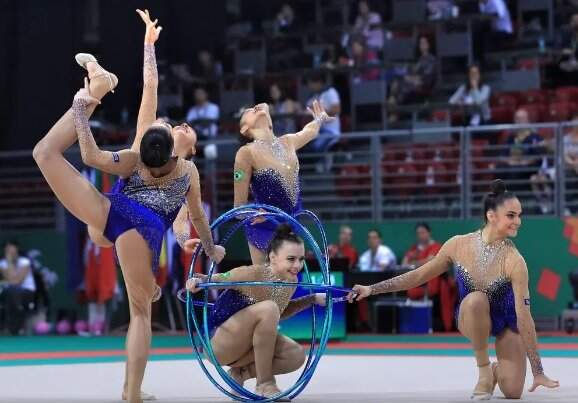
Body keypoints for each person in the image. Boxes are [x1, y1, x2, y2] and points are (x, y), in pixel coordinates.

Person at [32, 10, 224, 403]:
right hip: (117, 217)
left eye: (188, 128)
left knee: (141, 306)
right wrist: (147, 46)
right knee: (44, 153)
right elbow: (149, 88)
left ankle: (131, 391)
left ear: (190, 147)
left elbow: (190, 220)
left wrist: (201, 245)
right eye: (177, 125)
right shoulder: (143, 147)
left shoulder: (187, 172)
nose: (181, 126)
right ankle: (99, 87)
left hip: (128, 227)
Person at [350, 179, 559, 400]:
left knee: (513, 391)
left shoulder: (515, 261)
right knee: (477, 299)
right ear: (491, 215)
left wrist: (538, 371)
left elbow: (524, 316)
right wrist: (371, 289)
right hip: (470, 314)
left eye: (519, 215)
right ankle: (485, 371)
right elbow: (418, 276)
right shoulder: (458, 245)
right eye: (511, 215)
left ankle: (498, 371)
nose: (518, 221)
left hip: (505, 319)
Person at [186, 224, 326, 399]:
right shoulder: (252, 274)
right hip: (219, 343)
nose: (297, 265)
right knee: (269, 308)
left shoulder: (292, 281)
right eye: (291, 259)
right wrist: (194, 282)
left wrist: (311, 300)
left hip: (247, 346)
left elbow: (278, 313)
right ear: (273, 257)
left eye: (301, 259)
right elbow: (210, 279)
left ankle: (240, 374)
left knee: (295, 354)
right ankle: (265, 383)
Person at [233, 100, 333, 265]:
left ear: (271, 121)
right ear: (245, 129)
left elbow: (310, 131)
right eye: (249, 111)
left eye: (257, 107)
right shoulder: (246, 153)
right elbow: (238, 209)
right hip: (265, 228)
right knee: (270, 286)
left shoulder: (288, 141)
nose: (255, 108)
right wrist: (256, 213)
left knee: (291, 286)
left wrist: (319, 118)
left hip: (292, 224)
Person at [404, 223, 457, 332]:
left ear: (429, 233)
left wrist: (414, 262)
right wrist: (418, 262)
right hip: (417, 280)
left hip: (433, 283)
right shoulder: (414, 248)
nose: (420, 235)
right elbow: (404, 263)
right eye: (418, 233)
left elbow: (431, 261)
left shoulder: (436, 246)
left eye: (423, 232)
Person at [0, 240, 36, 335]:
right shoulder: (2, 263)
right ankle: (12, 326)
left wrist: (9, 263)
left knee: (13, 292)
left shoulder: (25, 261)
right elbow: (11, 280)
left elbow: (16, 282)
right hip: (9, 294)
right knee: (10, 292)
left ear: (17, 248)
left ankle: (15, 327)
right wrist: (8, 261)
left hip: (27, 293)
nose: (9, 250)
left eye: (11, 247)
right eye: (6, 248)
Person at [304, 74, 341, 152]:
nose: (310, 86)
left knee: (316, 147)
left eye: (311, 83)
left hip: (330, 131)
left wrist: (318, 112)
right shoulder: (312, 97)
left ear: (319, 82)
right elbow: (307, 113)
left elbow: (336, 110)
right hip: (316, 131)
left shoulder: (330, 92)